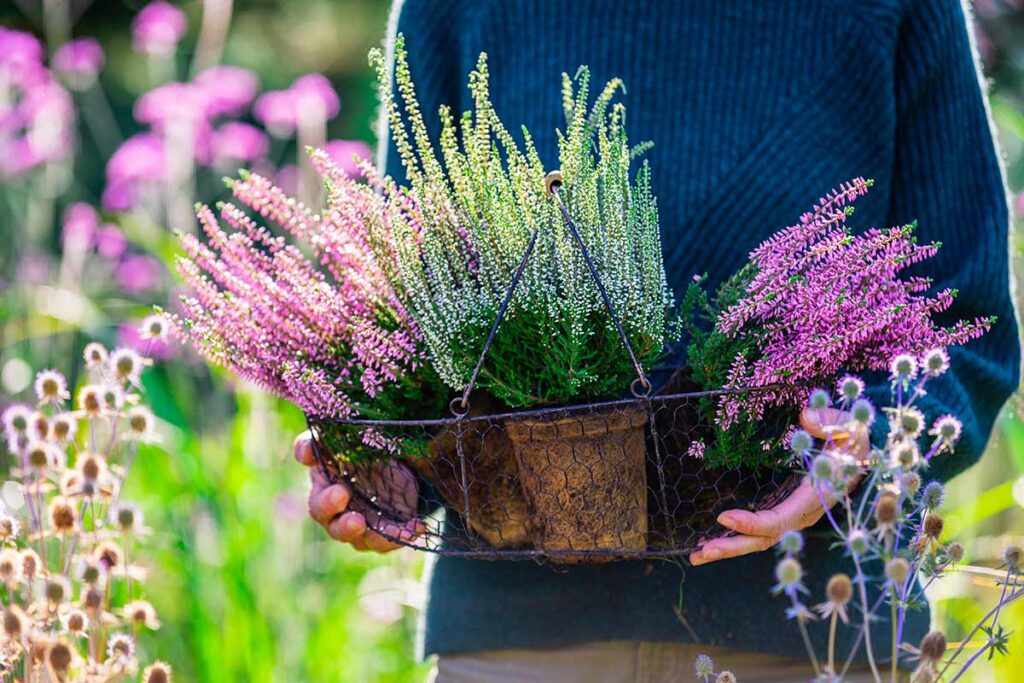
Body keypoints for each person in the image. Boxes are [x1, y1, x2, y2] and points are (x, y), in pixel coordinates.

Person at [293, 0, 1020, 680]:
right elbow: (411, 318)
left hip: (815, 629)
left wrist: (870, 438)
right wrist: (393, 466)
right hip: (525, 642)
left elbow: (965, 326)